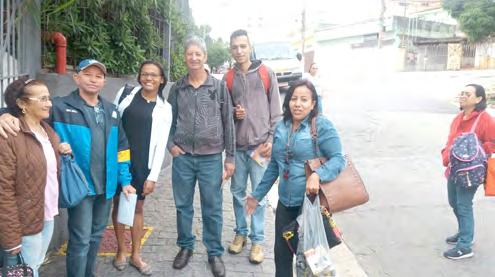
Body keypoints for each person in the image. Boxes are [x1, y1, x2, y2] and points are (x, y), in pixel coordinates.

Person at [0, 59, 135, 277]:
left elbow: (122, 148)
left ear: (104, 81)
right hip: (80, 187)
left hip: (107, 187)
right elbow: (27, 113)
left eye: (98, 76)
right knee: (80, 240)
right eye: (88, 74)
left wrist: (125, 180)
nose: (93, 79)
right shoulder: (60, 106)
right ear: (77, 78)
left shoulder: (112, 111)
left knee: (96, 236)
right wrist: (4, 114)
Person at [245, 79, 345, 277]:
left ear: (313, 103)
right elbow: (274, 165)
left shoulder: (321, 126)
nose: (298, 104)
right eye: (294, 99)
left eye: (304, 100)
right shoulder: (282, 126)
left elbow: (338, 159)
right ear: (288, 101)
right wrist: (256, 196)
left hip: (310, 205)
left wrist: (318, 174)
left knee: (310, 259)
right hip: (285, 203)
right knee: (281, 254)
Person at [167, 36, 235, 277]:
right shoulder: (178, 87)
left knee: (213, 207)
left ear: (205, 57)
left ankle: (214, 252)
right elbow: (168, 119)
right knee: (183, 206)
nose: (194, 57)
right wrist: (170, 145)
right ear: (185, 57)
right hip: (183, 157)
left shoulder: (218, 87)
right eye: (190, 53)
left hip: (211, 159)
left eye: (198, 54)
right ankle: (185, 247)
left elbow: (228, 122)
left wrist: (230, 158)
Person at [0, 78, 71, 277]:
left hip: (47, 213)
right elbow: (3, 192)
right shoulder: (9, 135)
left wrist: (61, 150)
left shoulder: (47, 131)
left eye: (49, 98)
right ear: (22, 104)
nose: (49, 103)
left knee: (35, 266)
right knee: (28, 271)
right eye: (42, 98)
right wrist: (11, 238)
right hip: (24, 221)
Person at [225, 29, 282, 264]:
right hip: (238, 148)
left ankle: (258, 240)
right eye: (235, 47)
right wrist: (233, 113)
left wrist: (270, 140)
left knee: (258, 195)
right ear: (231, 49)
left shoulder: (266, 73)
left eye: (243, 46)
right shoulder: (228, 78)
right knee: (237, 193)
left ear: (250, 47)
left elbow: (276, 112)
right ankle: (241, 233)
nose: (239, 51)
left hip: (260, 148)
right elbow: (224, 113)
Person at [111, 61, 172, 275]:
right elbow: (113, 124)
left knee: (137, 208)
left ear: (162, 79)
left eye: (154, 75)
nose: (149, 78)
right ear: (139, 76)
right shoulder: (125, 93)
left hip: (141, 165)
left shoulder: (165, 108)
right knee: (118, 205)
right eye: (145, 74)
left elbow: (162, 143)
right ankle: (120, 250)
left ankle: (136, 254)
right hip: (119, 160)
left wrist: (153, 176)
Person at [441, 84, 495, 260]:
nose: (462, 96)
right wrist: (446, 153)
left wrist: (476, 150)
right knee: (454, 202)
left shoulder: (485, 119)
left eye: (467, 94)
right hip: (454, 168)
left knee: (463, 204)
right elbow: (451, 141)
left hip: (470, 171)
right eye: (462, 93)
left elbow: (492, 142)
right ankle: (464, 232)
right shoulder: (458, 117)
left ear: (478, 99)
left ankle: (464, 246)